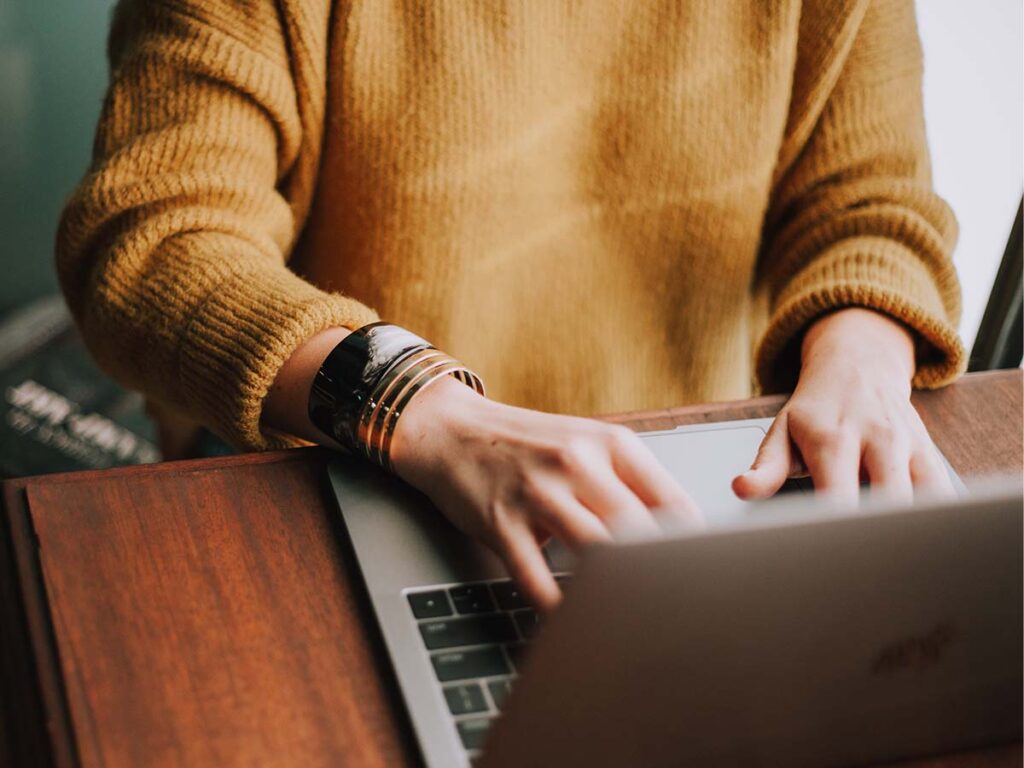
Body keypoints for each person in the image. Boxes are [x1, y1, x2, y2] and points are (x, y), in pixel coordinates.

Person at [56, 0, 964, 609]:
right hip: (342, 469)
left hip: (682, 494)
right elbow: (153, 238)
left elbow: (871, 204)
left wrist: (865, 357)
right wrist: (422, 409)